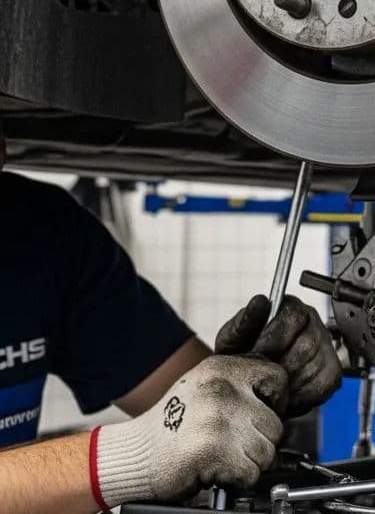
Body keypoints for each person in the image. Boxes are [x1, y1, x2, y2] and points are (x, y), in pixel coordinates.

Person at [0, 167, 344, 513]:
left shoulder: (42, 232)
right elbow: (153, 444)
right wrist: (133, 454)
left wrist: (250, 382)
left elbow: (181, 404)